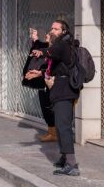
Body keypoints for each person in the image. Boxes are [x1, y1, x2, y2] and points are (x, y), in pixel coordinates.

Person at [32, 20, 81, 176]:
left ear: (64, 31)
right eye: (51, 28)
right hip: (60, 89)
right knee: (60, 126)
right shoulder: (61, 45)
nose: (52, 31)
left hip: (65, 90)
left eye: (56, 29)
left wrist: (40, 51)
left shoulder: (63, 45)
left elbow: (50, 51)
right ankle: (65, 158)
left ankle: (72, 165)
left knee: (63, 127)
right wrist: (40, 73)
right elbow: (57, 66)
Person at [23, 29, 57, 143]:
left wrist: (39, 73)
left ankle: (55, 134)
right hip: (44, 84)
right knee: (45, 108)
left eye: (49, 34)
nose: (46, 35)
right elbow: (38, 47)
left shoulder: (55, 51)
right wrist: (35, 38)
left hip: (52, 85)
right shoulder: (46, 49)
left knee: (49, 108)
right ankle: (51, 132)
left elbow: (52, 68)